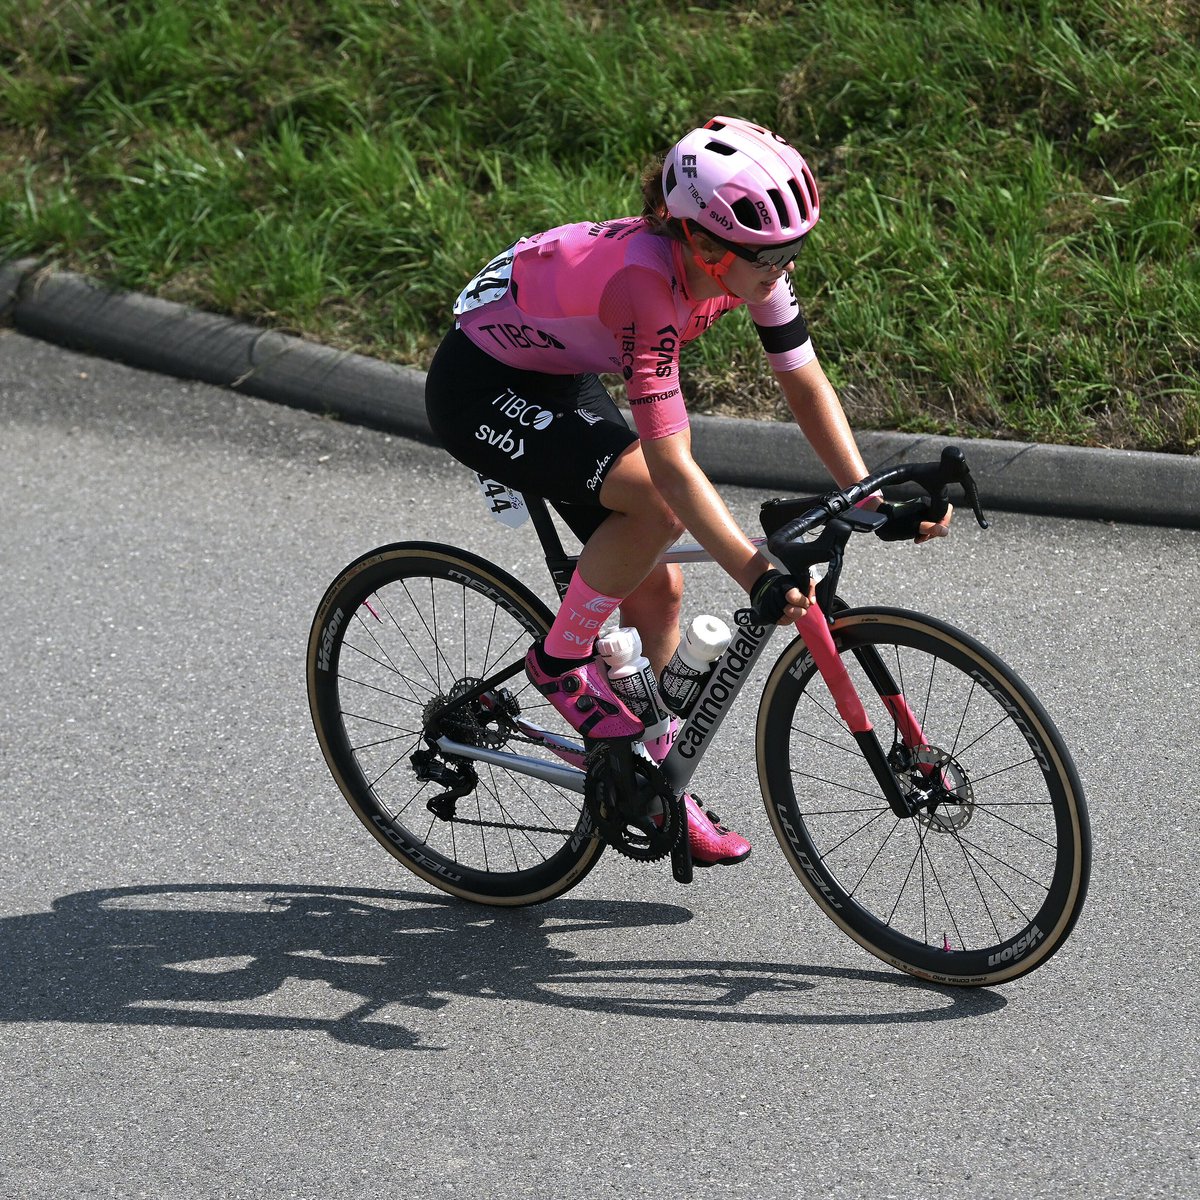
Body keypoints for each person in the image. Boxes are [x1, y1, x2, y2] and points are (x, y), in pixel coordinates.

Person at [425, 115, 951, 867]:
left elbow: (802, 380)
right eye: (771, 255)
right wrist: (751, 570)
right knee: (657, 502)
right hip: (480, 387)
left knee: (662, 589)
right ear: (703, 244)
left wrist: (866, 493)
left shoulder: (743, 263)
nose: (784, 267)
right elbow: (672, 465)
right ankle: (559, 661)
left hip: (557, 371)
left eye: (794, 250)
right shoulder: (649, 283)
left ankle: (654, 778)